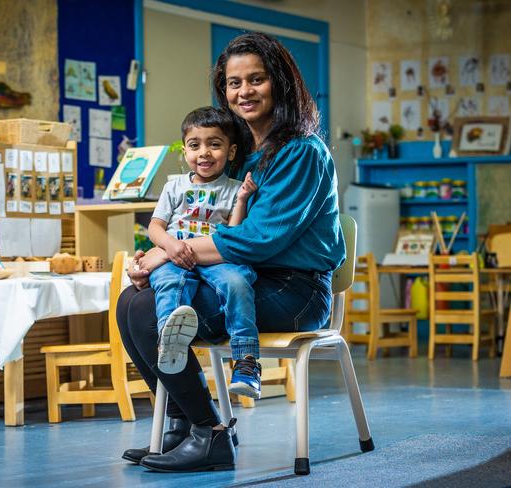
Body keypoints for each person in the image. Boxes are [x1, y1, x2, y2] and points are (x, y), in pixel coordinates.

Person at [118, 31, 346, 473]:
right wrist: (152, 254)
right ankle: (182, 423)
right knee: (129, 303)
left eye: (256, 79)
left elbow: (259, 239)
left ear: (279, 83)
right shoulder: (244, 158)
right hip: (247, 278)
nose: (244, 91)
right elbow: (200, 225)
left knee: (147, 311)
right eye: (233, 82)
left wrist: (167, 254)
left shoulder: (302, 152)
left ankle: (211, 434)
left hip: (295, 292)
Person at [148, 106, 260, 400]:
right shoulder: (174, 187)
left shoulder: (236, 188)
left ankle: (246, 361)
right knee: (170, 283)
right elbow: (155, 228)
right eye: (195, 145)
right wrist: (171, 247)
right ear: (185, 151)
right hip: (175, 257)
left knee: (237, 282)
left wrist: (243, 200)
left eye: (214, 144)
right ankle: (170, 344)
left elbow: (233, 233)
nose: (204, 153)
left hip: (214, 258)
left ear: (231, 151)